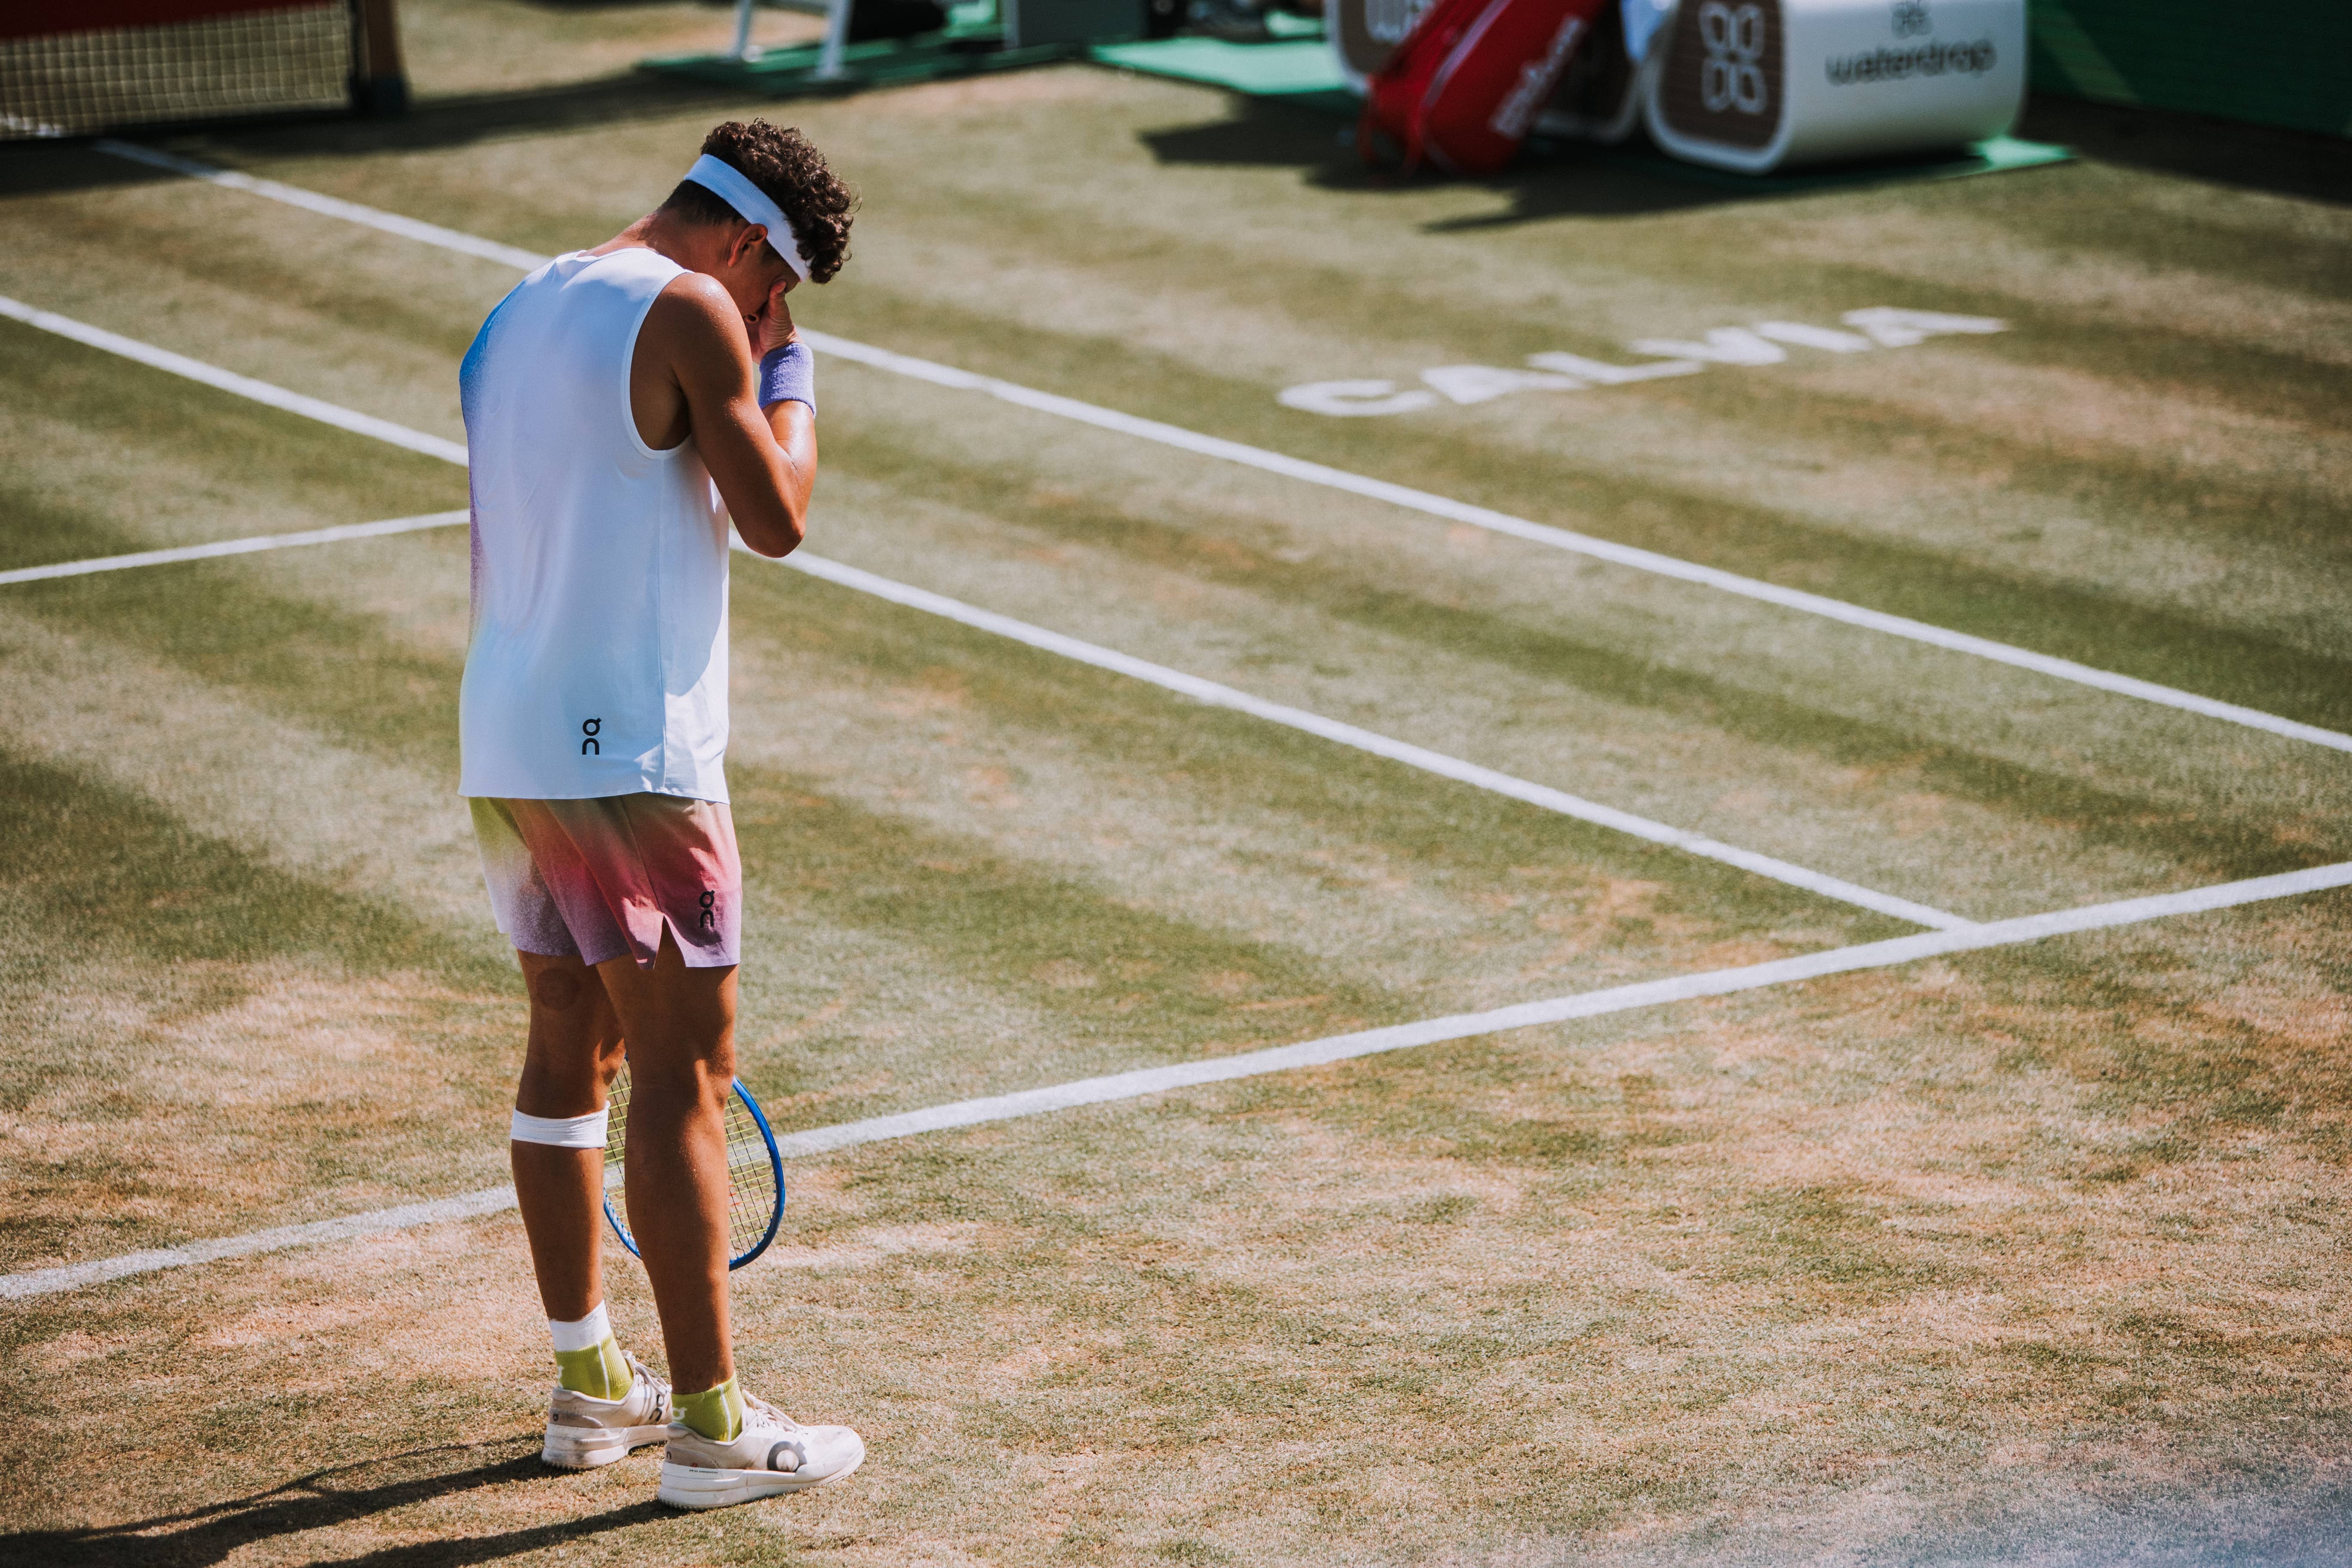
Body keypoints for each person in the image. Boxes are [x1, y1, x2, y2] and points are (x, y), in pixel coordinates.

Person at [456, 119, 861, 1512]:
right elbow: (779, 515)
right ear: (744, 248)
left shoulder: (518, 305)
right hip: (630, 746)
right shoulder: (693, 308)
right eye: (776, 296)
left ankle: (590, 1387)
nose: (767, 325)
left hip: (507, 737)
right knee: (682, 1072)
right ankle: (711, 1427)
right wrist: (792, 380)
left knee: (570, 1044)